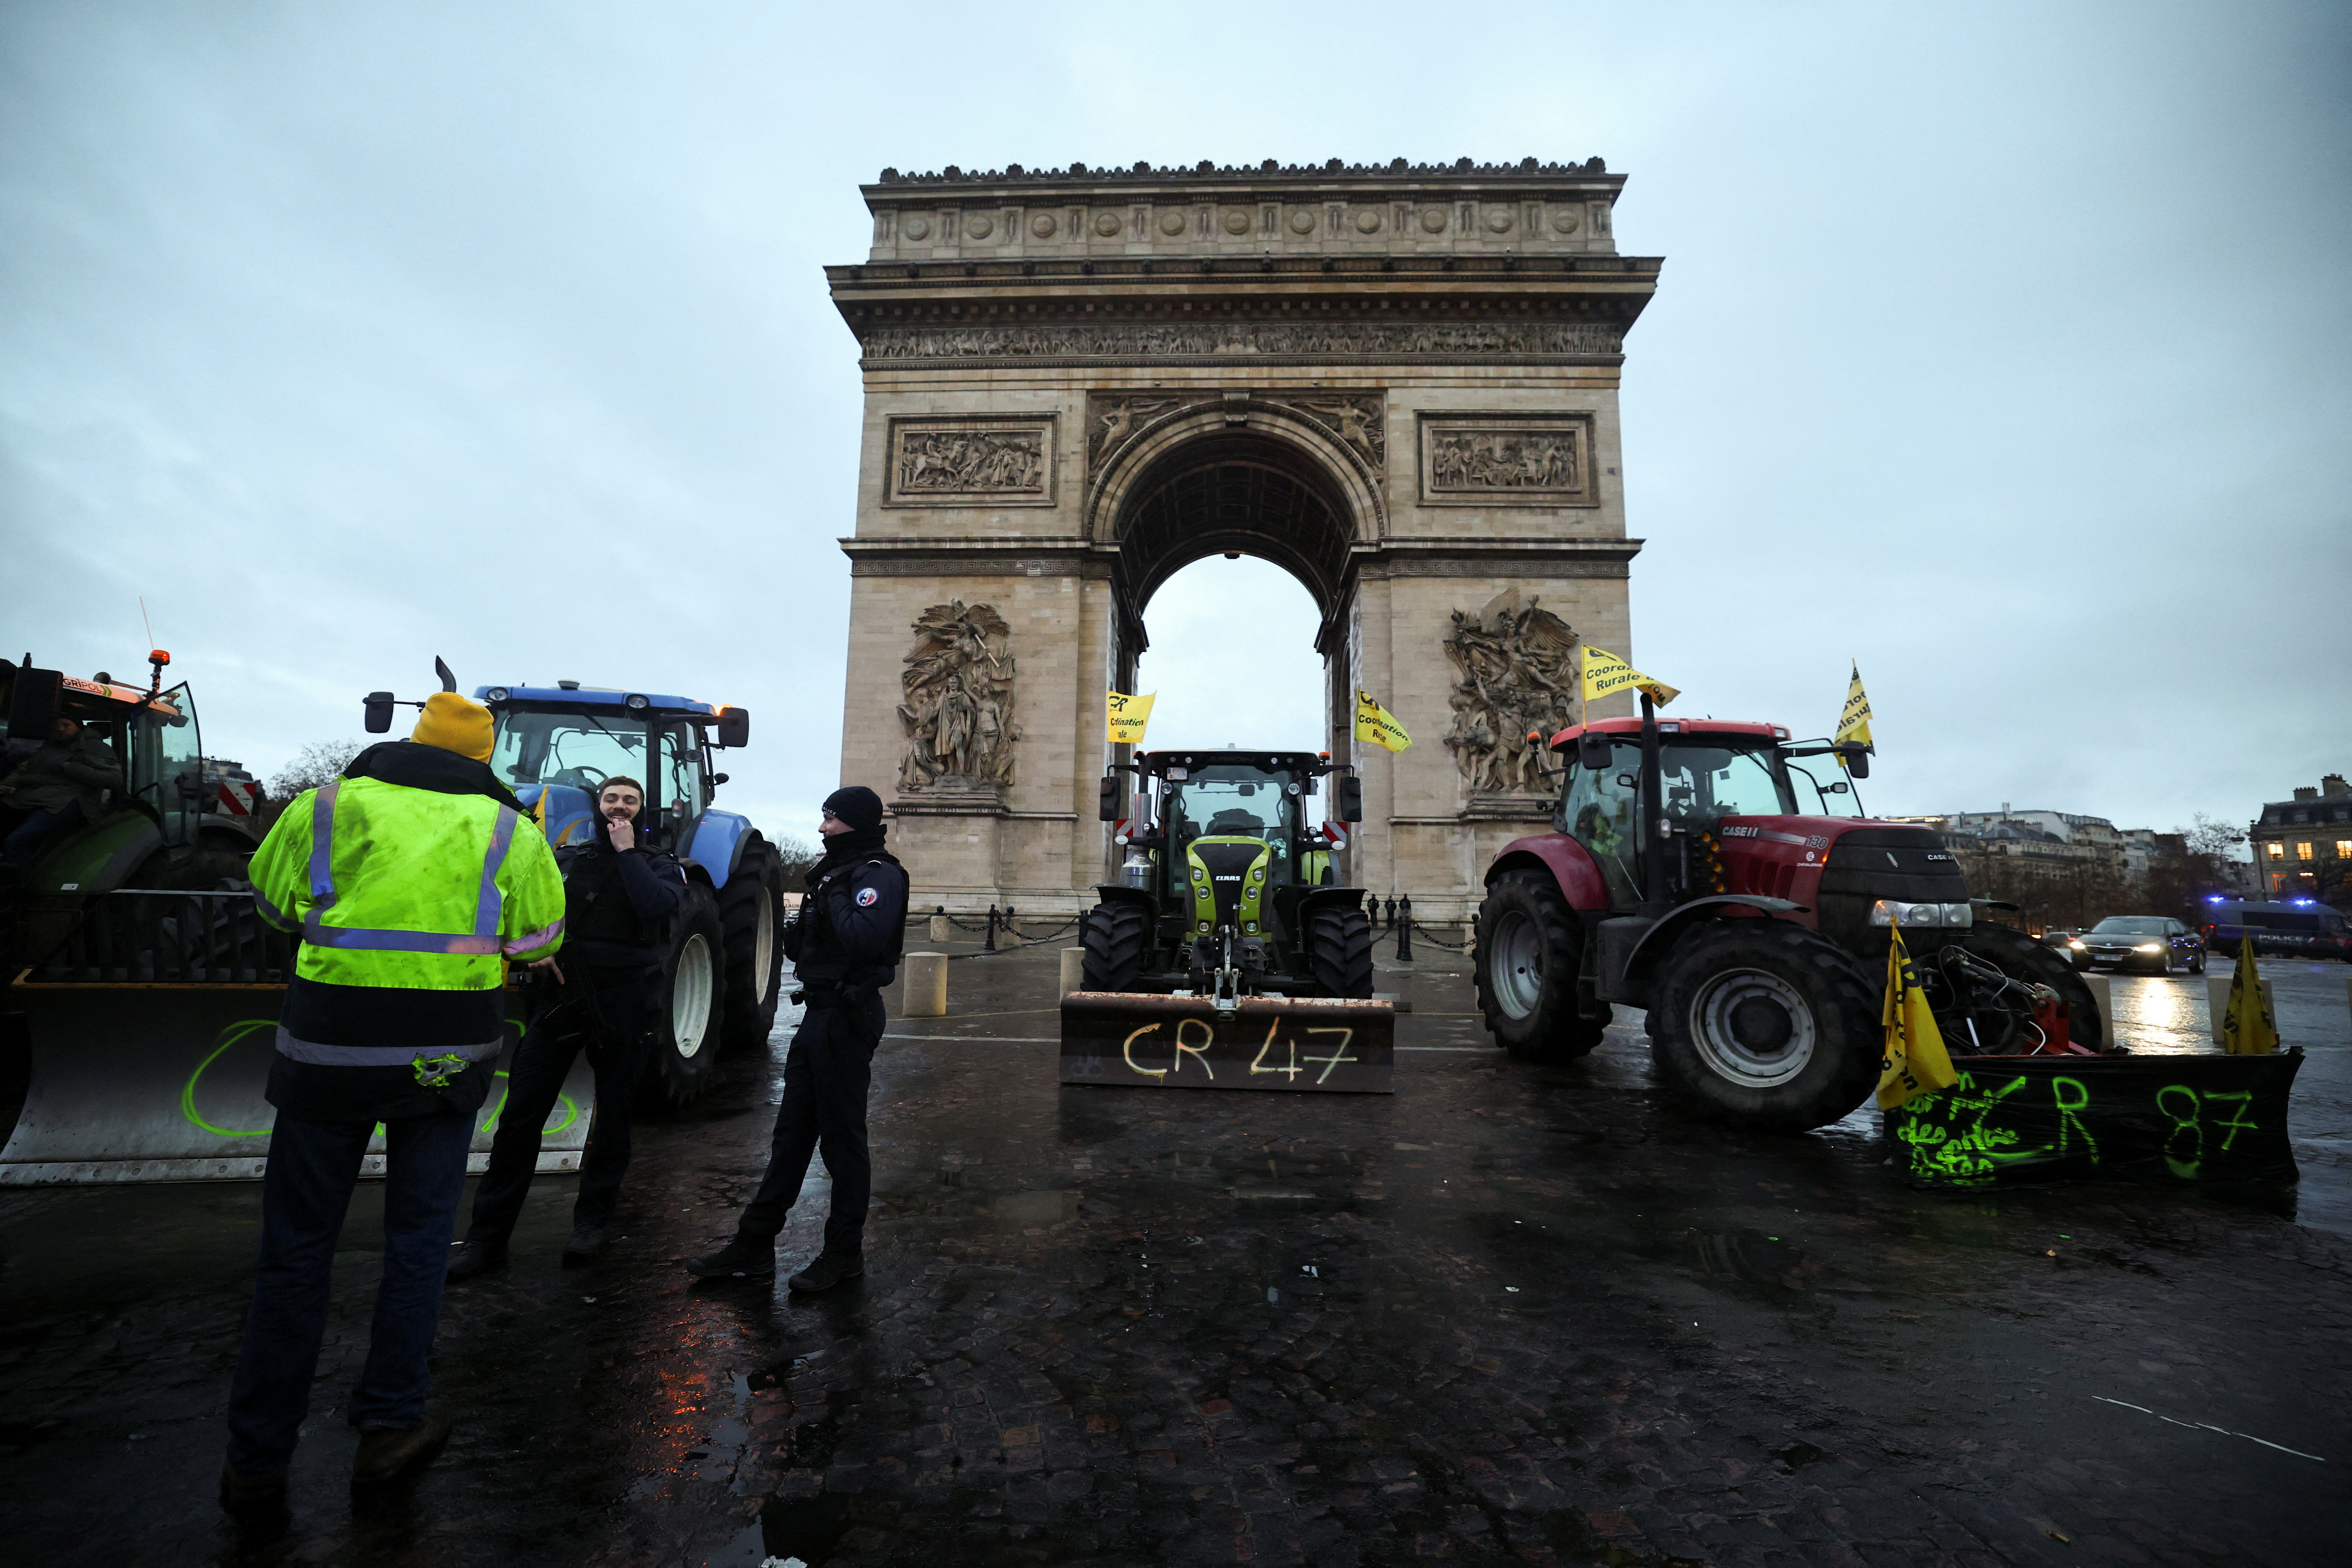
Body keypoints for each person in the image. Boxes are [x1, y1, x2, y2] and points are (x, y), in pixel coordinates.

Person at [219, 690, 564, 1515]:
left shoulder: (326, 805)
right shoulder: (512, 829)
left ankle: (258, 1457)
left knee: (297, 1250)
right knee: (417, 1244)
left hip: (329, 1049)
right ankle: (388, 1428)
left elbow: (270, 903)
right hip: (445, 1060)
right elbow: (540, 939)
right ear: (484, 756)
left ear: (413, 738)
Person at [446, 776, 683, 1279]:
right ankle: (487, 1237)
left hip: (625, 1004)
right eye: (611, 799)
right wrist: (534, 951)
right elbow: (532, 912)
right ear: (597, 805)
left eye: (630, 800)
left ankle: (591, 1225)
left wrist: (627, 853)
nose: (619, 806)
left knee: (613, 1120)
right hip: (563, 998)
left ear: (643, 810)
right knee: (519, 1119)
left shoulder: (660, 864)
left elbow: (658, 908)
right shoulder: (568, 858)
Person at [687, 785, 907, 1290]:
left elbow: (863, 939)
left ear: (853, 824)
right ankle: (754, 1245)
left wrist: (829, 893)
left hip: (847, 1018)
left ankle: (843, 1254)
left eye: (831, 819)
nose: (822, 828)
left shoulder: (876, 877)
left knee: (843, 1142)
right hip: (820, 1014)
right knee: (790, 1139)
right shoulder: (837, 876)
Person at [0, 714, 123, 877]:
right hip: (34, 797)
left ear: (78, 727)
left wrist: (70, 767)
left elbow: (114, 779)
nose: (60, 729)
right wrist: (7, 785)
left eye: (66, 724)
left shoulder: (95, 748)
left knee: (17, 841)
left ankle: (20, 890)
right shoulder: (48, 747)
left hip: (70, 801)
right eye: (57, 724)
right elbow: (26, 768)